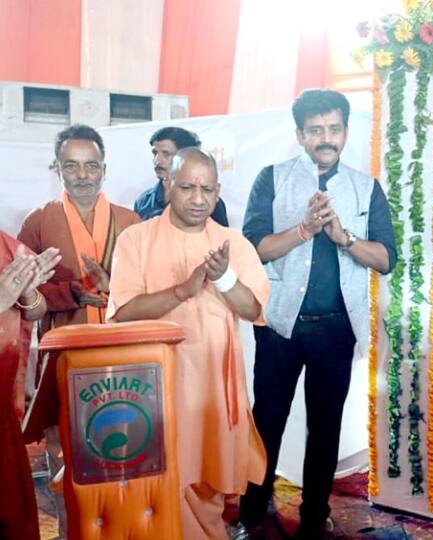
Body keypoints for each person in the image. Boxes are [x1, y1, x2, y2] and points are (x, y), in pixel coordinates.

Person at [240, 89, 397, 539]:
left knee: (324, 427)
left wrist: (344, 237)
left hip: (335, 330)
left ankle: (313, 517)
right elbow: (255, 248)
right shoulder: (271, 179)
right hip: (280, 327)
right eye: (316, 130)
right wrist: (305, 229)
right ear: (300, 134)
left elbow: (386, 258)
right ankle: (252, 511)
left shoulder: (365, 188)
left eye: (333, 129)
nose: (325, 138)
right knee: (266, 421)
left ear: (345, 132)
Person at [108, 147, 270, 539]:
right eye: (187, 187)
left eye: (207, 189)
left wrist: (225, 278)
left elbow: (254, 310)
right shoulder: (136, 240)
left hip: (214, 389)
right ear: (167, 186)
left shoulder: (235, 244)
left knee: (208, 484)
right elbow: (123, 311)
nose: (198, 199)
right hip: (153, 389)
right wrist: (182, 290)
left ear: (218, 193)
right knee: (157, 482)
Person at [18, 124, 140, 538]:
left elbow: (148, 289)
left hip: (123, 360)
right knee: (65, 457)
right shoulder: (38, 221)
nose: (83, 175)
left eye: (91, 166)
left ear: (104, 168)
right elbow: (23, 294)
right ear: (58, 169)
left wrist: (114, 287)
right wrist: (68, 293)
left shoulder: (129, 220)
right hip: (64, 359)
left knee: (125, 450)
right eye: (72, 166)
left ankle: (122, 529)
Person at [0, 232, 60, 540]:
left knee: (13, 504)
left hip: (3, 397)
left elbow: (36, 309)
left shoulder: (5, 245)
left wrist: (26, 292)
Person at [133, 126, 230, 226]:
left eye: (166, 154)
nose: (157, 161)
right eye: (155, 153)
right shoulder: (143, 201)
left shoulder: (207, 203)